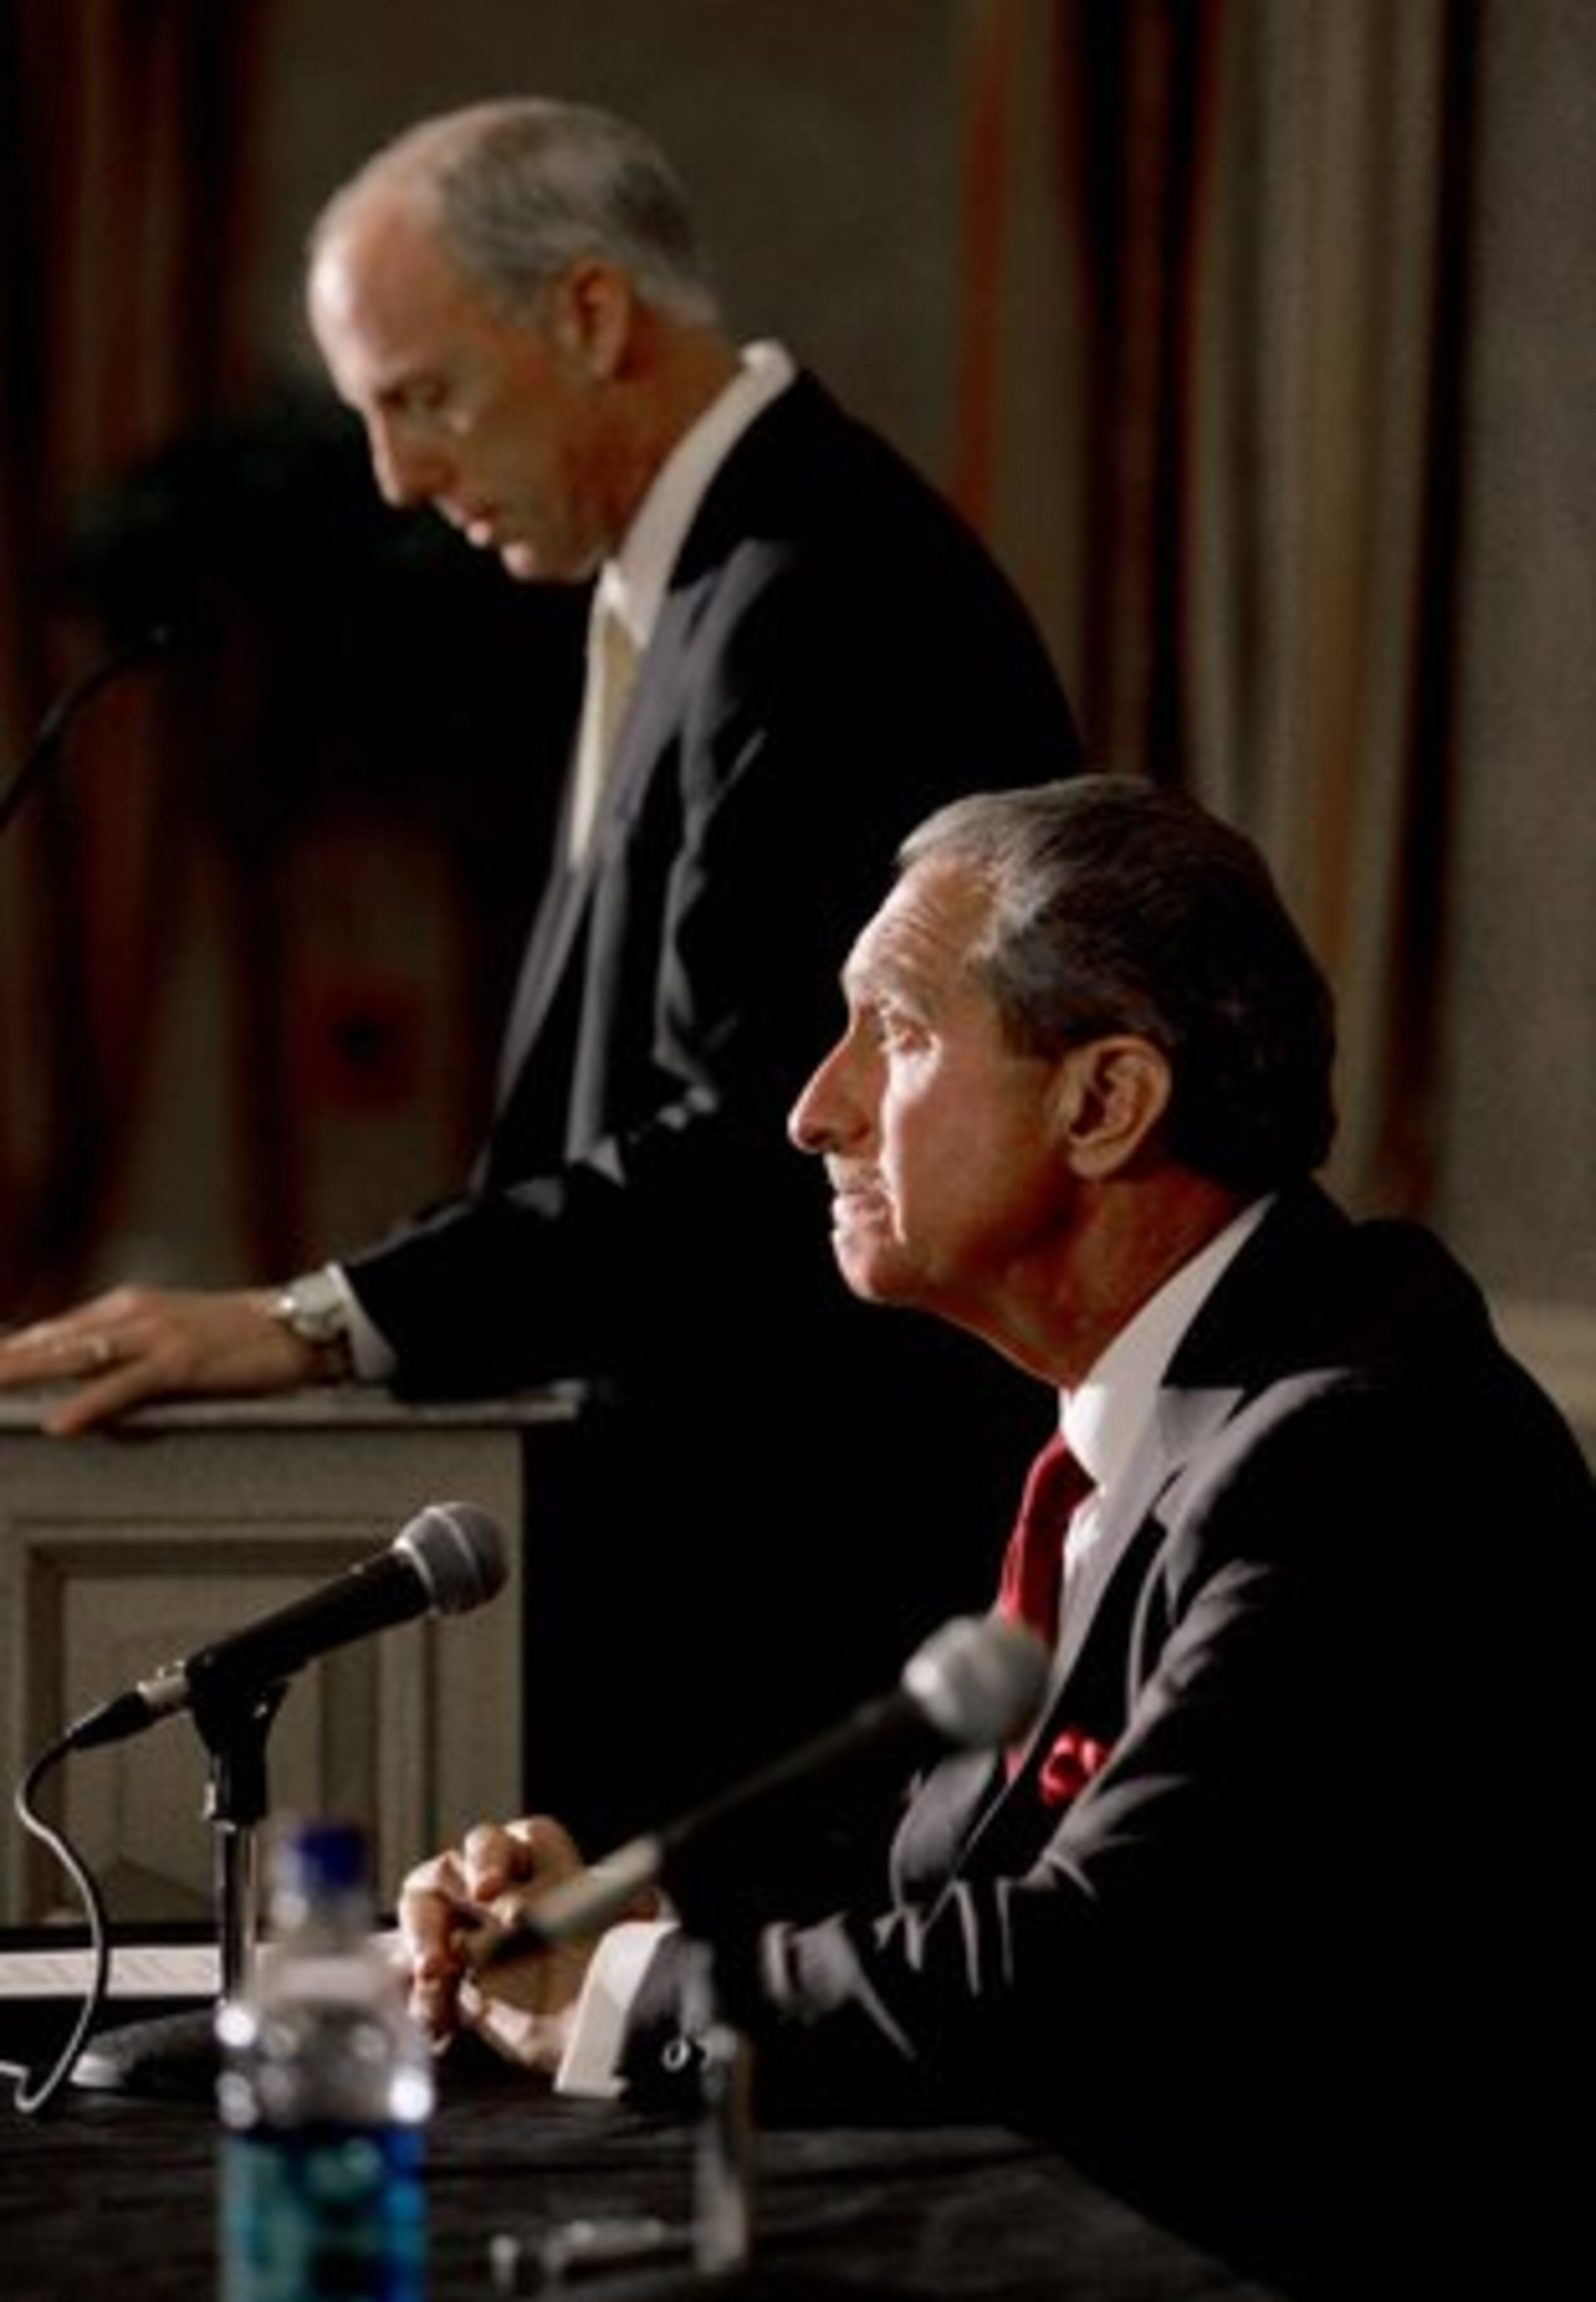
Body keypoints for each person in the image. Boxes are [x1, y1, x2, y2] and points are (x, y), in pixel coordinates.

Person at [0, 99, 1084, 1848]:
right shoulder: (702, 581)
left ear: (589, 313)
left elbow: (759, 1148)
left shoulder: (821, 591)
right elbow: (605, 1128)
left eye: (422, 397)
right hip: (732, 1575)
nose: (393, 477)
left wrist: (315, 1323)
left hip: (810, 1591)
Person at [395, 775, 1595, 2299]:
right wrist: (628, 1915)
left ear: (1104, 1103)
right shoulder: (1177, 1402)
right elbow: (954, 1870)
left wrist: (632, 1990)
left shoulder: (1360, 1448)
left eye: (896, 1033)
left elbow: (1098, 1966)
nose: (813, 1109)